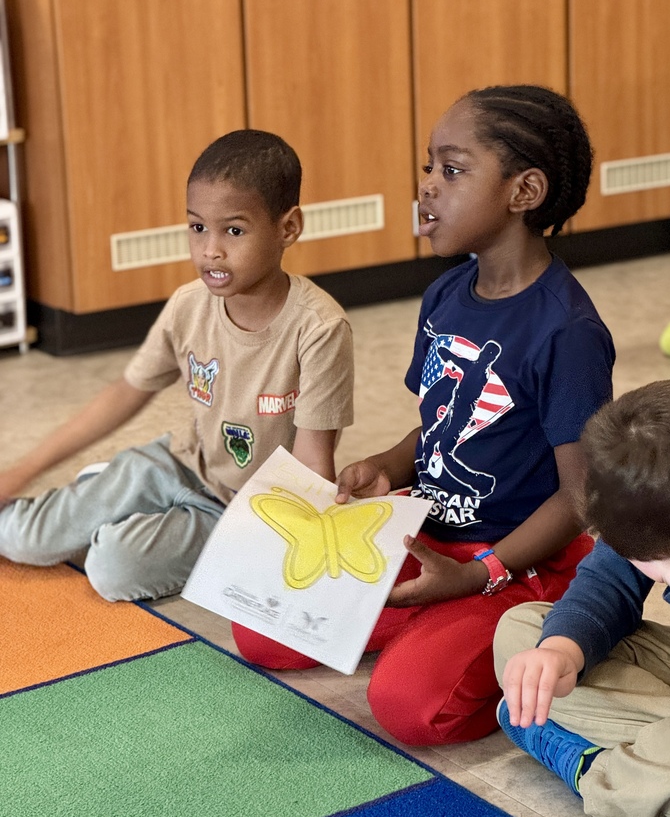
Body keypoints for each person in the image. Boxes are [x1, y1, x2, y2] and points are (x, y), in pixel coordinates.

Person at [232, 84, 615, 746]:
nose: (428, 188)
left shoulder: (567, 332)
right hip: (427, 533)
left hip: (518, 563)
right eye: (427, 168)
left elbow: (580, 497)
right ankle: (439, 622)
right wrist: (384, 465)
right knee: (259, 627)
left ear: (523, 192)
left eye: (452, 169)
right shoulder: (445, 294)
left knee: (410, 707)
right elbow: (441, 424)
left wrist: (477, 575)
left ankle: (520, 634)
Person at [0, 130, 354, 602]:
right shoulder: (189, 304)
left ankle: (115, 511)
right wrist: (22, 470)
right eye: (196, 227)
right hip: (175, 464)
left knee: (113, 570)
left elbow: (314, 465)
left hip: (248, 511)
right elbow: (125, 393)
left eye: (234, 230)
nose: (210, 250)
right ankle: (105, 491)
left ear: (287, 228)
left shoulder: (320, 327)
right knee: (25, 539)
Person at [493, 378, 670, 817]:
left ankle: (604, 777)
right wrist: (562, 650)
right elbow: (609, 577)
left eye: (666, 557)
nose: (654, 567)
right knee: (523, 630)